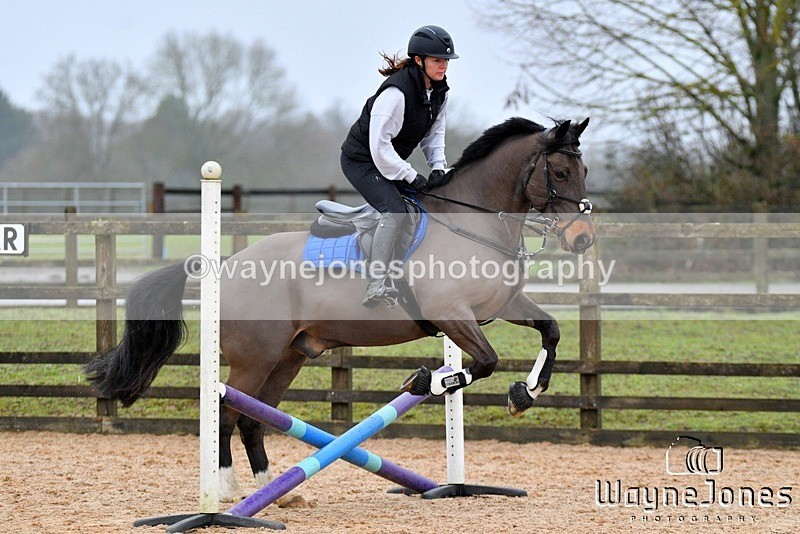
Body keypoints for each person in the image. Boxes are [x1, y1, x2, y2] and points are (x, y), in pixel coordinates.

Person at [340, 25, 458, 307]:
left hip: (387, 159)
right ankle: (377, 283)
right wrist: (411, 175)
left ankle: (406, 274)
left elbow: (434, 134)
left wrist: (438, 166)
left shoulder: (439, 92)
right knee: (395, 211)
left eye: (446, 60)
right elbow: (379, 147)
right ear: (419, 61)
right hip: (362, 160)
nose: (443, 66)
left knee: (424, 206)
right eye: (436, 60)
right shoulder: (395, 93)